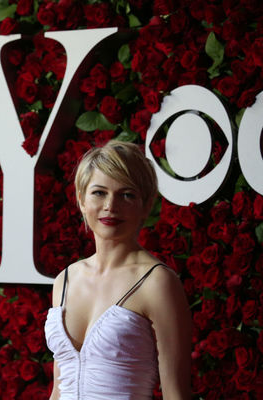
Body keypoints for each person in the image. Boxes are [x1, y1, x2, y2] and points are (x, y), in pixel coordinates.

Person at [44, 140, 192, 399]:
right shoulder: (65, 280)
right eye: (99, 192)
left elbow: (175, 393)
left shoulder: (157, 282)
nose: (111, 205)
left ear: (145, 206)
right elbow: (59, 389)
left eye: (127, 195)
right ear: (81, 200)